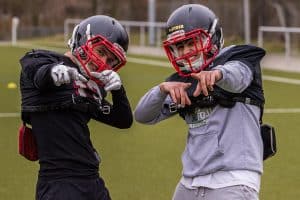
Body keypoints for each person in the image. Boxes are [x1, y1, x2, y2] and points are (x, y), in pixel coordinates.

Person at [134, 4, 266, 200]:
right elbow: (142, 116)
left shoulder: (237, 61)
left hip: (233, 179)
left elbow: (238, 76)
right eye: (180, 46)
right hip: (190, 182)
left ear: (213, 39)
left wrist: (218, 74)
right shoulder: (182, 81)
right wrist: (161, 91)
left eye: (192, 43)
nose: (187, 51)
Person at [19, 15, 133, 200]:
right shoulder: (42, 61)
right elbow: (38, 75)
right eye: (101, 51)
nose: (103, 61)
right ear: (83, 40)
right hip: (60, 183)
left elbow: (123, 120)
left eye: (110, 59)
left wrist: (119, 91)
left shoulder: (87, 85)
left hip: (92, 180)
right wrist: (54, 72)